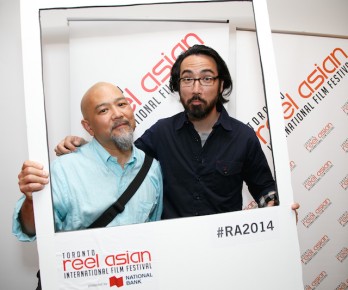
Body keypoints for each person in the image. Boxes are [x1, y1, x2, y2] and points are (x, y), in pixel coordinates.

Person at [19, 45, 299, 224]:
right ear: (178, 86)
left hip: (221, 250)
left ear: (221, 83)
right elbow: (122, 154)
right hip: (167, 255)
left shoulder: (243, 137)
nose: (196, 88)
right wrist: (84, 143)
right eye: (187, 79)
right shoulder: (162, 132)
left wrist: (275, 206)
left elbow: (265, 189)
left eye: (206, 78)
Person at [13, 82, 163, 242]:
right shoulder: (64, 170)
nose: (118, 114)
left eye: (121, 104)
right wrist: (31, 200)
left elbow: (154, 234)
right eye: (104, 110)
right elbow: (30, 230)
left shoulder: (152, 169)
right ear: (89, 127)